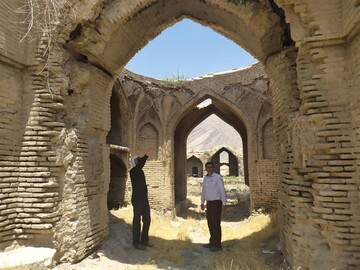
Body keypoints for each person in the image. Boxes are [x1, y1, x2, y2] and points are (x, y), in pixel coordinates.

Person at [200, 161, 227, 252]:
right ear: (206, 169)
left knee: (216, 224)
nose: (209, 169)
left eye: (211, 167)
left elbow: (222, 190)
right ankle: (212, 242)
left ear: (213, 168)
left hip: (216, 203)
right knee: (210, 223)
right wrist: (202, 201)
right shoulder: (205, 178)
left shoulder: (217, 177)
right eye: (208, 167)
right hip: (209, 203)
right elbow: (204, 191)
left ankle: (217, 245)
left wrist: (224, 203)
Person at [130, 150, 153, 250]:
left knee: (147, 220)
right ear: (135, 162)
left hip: (144, 199)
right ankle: (136, 243)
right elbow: (140, 165)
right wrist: (146, 156)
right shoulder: (133, 171)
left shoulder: (140, 171)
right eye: (138, 160)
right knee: (136, 221)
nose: (139, 162)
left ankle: (144, 241)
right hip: (137, 200)